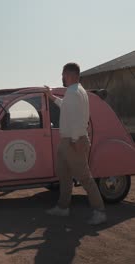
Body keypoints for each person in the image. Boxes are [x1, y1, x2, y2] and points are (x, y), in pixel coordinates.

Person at [45, 62, 106, 225]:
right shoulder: (77, 91)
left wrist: (75, 140)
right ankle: (63, 208)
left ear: (70, 75)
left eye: (63, 74)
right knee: (63, 174)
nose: (62, 78)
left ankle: (99, 211)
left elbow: (77, 120)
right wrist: (52, 97)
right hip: (69, 141)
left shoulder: (73, 92)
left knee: (85, 177)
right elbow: (66, 107)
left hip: (74, 141)